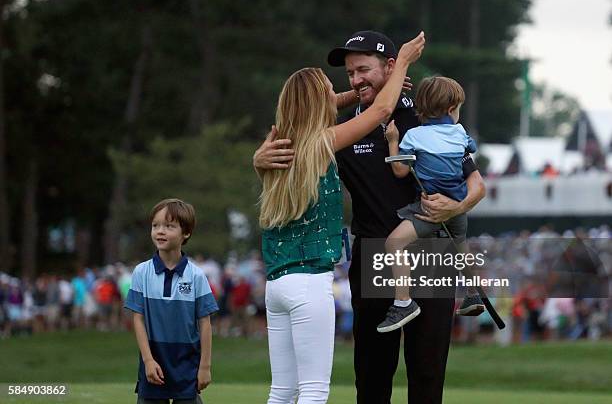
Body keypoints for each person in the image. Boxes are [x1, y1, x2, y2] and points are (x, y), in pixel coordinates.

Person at [254, 30, 485, 404]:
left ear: (390, 67)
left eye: (363, 69)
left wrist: (459, 206)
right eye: (350, 74)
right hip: (373, 256)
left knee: (427, 376)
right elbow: (297, 131)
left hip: (430, 253)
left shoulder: (425, 120)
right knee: (372, 377)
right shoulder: (343, 128)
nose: (356, 79)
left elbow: (476, 183)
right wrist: (258, 159)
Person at [377, 76, 484, 333]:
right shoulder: (460, 133)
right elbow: (470, 149)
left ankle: (403, 302)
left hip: (429, 208)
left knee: (394, 243)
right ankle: (473, 294)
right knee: (460, 243)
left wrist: (392, 140)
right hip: (458, 205)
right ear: (450, 110)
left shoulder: (414, 135)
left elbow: (401, 171)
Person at [124, 199, 218, 404]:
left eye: (169, 226)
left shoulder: (197, 276)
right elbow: (138, 320)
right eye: (155, 225)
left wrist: (205, 367)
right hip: (153, 368)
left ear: (186, 233)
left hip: (187, 368)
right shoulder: (141, 272)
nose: (160, 231)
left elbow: (205, 323)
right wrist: (148, 360)